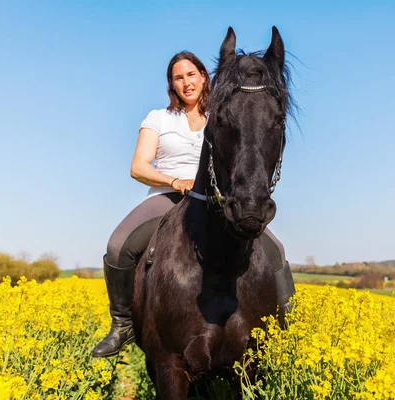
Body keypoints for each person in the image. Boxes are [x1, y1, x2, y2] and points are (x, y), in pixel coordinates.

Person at [92, 51, 294, 358]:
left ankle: (288, 331)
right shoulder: (158, 118)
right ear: (171, 85)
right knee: (119, 244)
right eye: (178, 77)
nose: (186, 82)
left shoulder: (225, 112)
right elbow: (138, 167)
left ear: (204, 77)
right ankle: (122, 325)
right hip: (168, 197)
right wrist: (175, 182)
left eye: (191, 75)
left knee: (275, 250)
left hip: (217, 199)